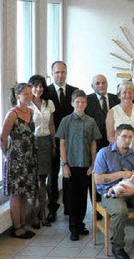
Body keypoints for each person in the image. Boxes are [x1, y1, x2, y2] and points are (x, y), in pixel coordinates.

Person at [94, 124, 134, 258]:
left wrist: (133, 190)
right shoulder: (104, 153)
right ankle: (117, 247)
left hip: (131, 191)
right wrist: (121, 175)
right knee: (121, 211)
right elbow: (98, 180)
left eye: (130, 137)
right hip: (110, 193)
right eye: (124, 136)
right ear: (116, 136)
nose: (127, 140)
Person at [56, 90, 102, 241]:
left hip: (86, 165)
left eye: (83, 102)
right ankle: (73, 228)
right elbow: (62, 143)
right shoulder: (66, 121)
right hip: (71, 165)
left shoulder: (90, 121)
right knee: (72, 197)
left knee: (83, 197)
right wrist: (65, 164)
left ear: (86, 104)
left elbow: (93, 143)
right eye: (77, 102)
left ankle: (80, 223)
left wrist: (93, 163)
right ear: (72, 103)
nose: (80, 105)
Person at [1, 83, 39, 239]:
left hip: (29, 158)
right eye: (26, 94)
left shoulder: (30, 111)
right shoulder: (12, 114)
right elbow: (3, 138)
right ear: (18, 96)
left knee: (25, 193)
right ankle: (17, 228)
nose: (29, 96)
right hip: (17, 160)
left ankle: (23, 224)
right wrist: (8, 156)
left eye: (31, 93)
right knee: (17, 194)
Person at [46, 61, 79, 222]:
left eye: (63, 72)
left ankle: (68, 205)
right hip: (52, 140)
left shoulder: (74, 92)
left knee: (68, 174)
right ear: (52, 73)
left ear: (66, 73)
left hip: (70, 141)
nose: (60, 75)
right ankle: (52, 207)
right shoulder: (45, 92)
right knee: (52, 175)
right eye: (57, 72)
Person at [28, 75, 56, 228]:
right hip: (32, 144)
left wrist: (54, 144)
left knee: (42, 181)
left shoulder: (48, 103)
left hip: (46, 143)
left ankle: (43, 214)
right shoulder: (26, 104)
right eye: (35, 86)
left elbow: (51, 124)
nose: (38, 89)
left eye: (41, 86)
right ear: (30, 87)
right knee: (33, 181)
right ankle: (34, 216)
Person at [107, 81, 134, 154]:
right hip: (118, 153)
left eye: (130, 92)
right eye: (124, 92)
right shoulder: (112, 112)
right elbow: (110, 136)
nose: (128, 95)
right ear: (119, 95)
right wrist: (122, 150)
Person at [86, 75, 120, 150]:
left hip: (114, 142)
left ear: (107, 84)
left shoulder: (117, 99)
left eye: (103, 83)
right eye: (97, 83)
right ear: (92, 86)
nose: (101, 85)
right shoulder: (86, 100)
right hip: (95, 143)